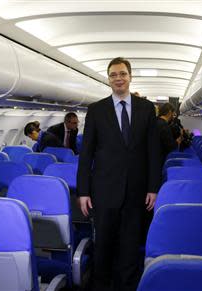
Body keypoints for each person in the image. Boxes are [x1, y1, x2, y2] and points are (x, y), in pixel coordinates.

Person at [77, 57, 161, 291]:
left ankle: (127, 286)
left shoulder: (146, 109)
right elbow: (86, 154)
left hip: (137, 191)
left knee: (130, 248)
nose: (118, 78)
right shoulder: (96, 110)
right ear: (109, 79)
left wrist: (153, 187)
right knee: (102, 246)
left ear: (130, 76)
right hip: (104, 190)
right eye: (113, 75)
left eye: (122, 74)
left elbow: (153, 152)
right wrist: (83, 191)